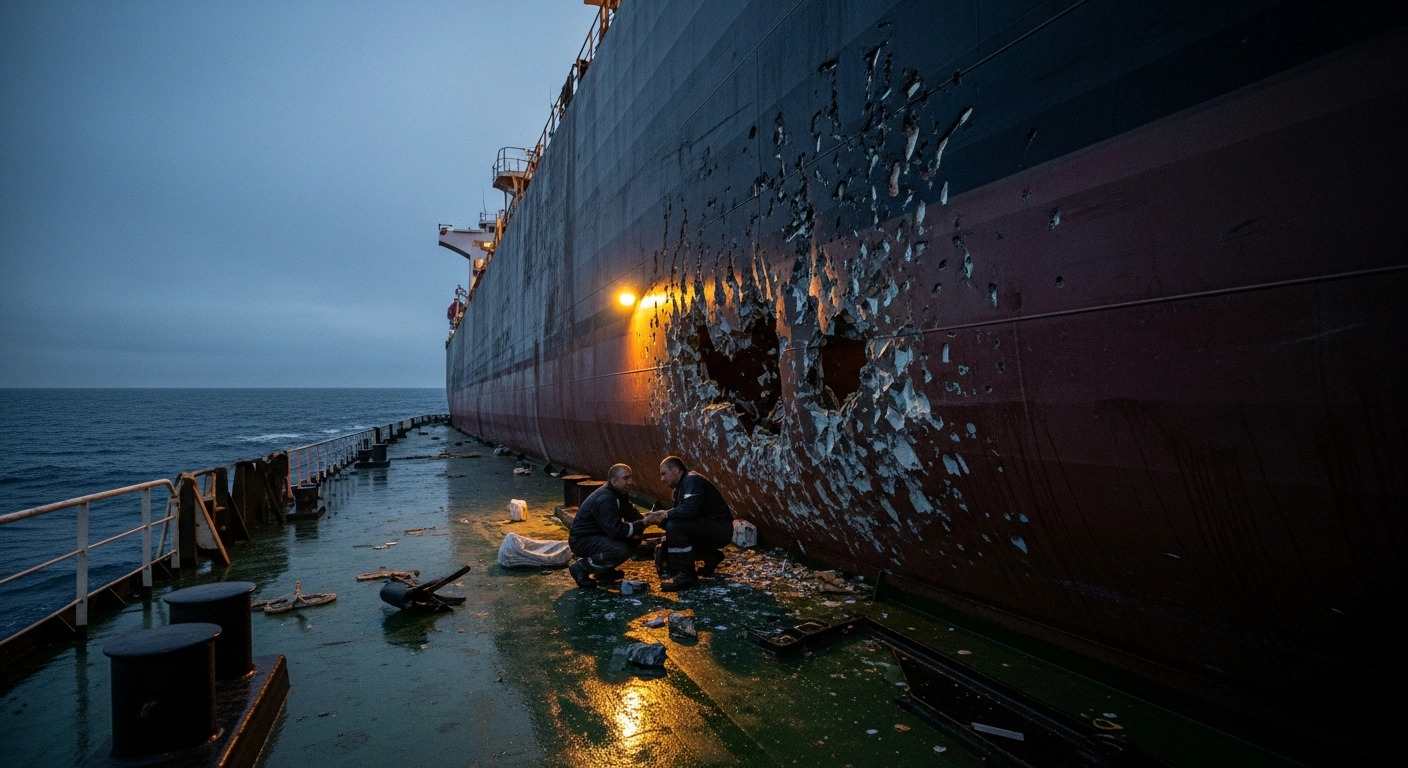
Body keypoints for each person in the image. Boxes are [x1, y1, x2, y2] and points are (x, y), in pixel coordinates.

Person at [643, 456, 733, 591]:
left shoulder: (692, 481)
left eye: (664, 474)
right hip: (709, 526)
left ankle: (686, 576)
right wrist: (660, 520)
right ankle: (710, 555)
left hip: (720, 528)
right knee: (670, 538)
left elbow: (689, 510)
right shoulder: (681, 485)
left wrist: (663, 515)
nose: (662, 479)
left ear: (675, 470)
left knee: (675, 527)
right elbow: (682, 513)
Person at [567, 464, 645, 589]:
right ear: (613, 481)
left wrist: (648, 519)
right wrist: (643, 523)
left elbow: (630, 512)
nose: (630, 482)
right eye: (626, 478)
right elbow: (616, 531)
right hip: (582, 540)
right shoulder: (606, 498)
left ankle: (604, 570)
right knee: (619, 549)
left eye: (631, 478)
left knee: (633, 540)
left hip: (597, 535)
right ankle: (581, 568)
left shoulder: (618, 493)